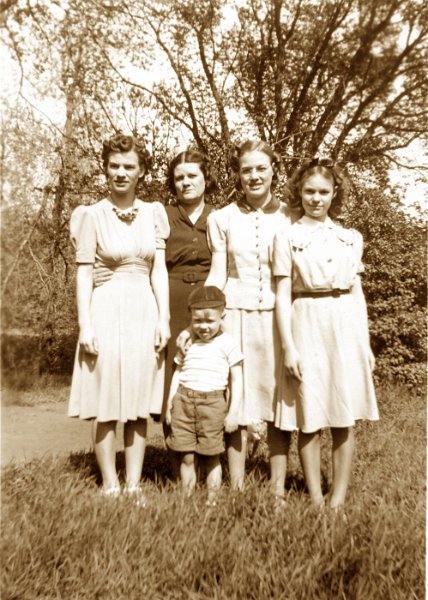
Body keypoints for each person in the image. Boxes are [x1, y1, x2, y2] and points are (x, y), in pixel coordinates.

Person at [68, 133, 170, 503]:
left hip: (145, 307)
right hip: (106, 308)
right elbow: (83, 274)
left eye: (129, 166)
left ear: (141, 171)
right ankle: (110, 485)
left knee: (139, 403)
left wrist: (164, 319)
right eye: (114, 166)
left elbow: (158, 270)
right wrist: (86, 326)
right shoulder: (91, 215)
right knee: (107, 400)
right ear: (105, 169)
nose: (121, 173)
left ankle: (134, 484)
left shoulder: (153, 213)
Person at [273, 158, 379, 511]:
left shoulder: (350, 238)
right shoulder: (288, 236)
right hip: (306, 320)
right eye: (308, 191)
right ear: (298, 193)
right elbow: (282, 295)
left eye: (323, 192)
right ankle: (315, 498)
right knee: (310, 413)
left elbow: (357, 293)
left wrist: (364, 345)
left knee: (343, 414)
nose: (316, 199)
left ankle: (337, 499)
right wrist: (289, 346)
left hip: (345, 324)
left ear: (335, 194)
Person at [204, 139, 293, 495]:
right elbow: (217, 273)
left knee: (277, 401)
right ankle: (237, 485)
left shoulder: (292, 216)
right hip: (235, 316)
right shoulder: (221, 218)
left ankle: (277, 488)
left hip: (277, 317)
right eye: (246, 170)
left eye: (261, 168)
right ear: (237, 174)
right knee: (236, 401)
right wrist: (206, 314)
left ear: (274, 170)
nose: (254, 176)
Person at [165, 286, 243, 506]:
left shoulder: (228, 344)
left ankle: (212, 500)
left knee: (211, 456)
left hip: (213, 405)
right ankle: (186, 499)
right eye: (198, 321)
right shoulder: (188, 343)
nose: (204, 327)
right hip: (184, 402)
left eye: (210, 321)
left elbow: (237, 380)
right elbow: (177, 373)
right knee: (187, 456)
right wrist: (170, 405)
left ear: (222, 316)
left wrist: (233, 412)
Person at [164, 149, 218, 404]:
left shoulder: (219, 217)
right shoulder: (162, 215)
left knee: (208, 365)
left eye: (192, 175)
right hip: (172, 300)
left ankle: (210, 439)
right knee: (173, 368)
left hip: (210, 300)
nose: (185, 182)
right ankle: (174, 439)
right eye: (179, 177)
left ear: (206, 178)